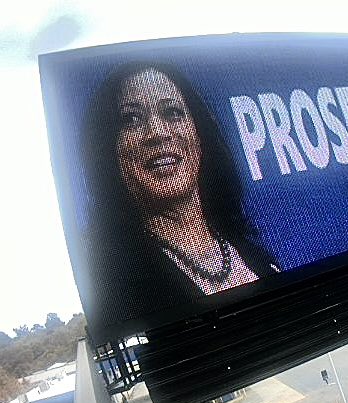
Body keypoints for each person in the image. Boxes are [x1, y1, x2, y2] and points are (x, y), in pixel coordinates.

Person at [81, 62, 277, 327]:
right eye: (131, 119)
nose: (158, 133)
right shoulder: (118, 291)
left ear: (199, 134)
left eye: (172, 112)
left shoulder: (253, 254)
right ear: (108, 151)